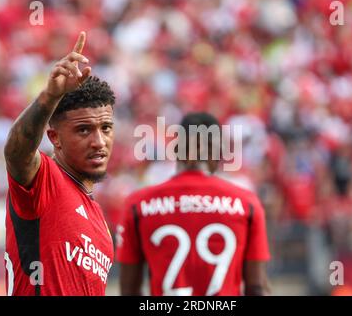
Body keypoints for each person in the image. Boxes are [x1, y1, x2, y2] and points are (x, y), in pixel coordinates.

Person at [3, 31, 115, 296]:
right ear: (55, 138)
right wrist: (49, 97)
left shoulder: (100, 223)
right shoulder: (44, 180)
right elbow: (17, 152)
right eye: (84, 130)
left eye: (106, 127)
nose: (99, 141)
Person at [116, 112, 271, 296]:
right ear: (219, 152)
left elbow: (129, 290)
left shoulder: (138, 205)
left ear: (176, 149)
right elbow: (256, 287)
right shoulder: (247, 204)